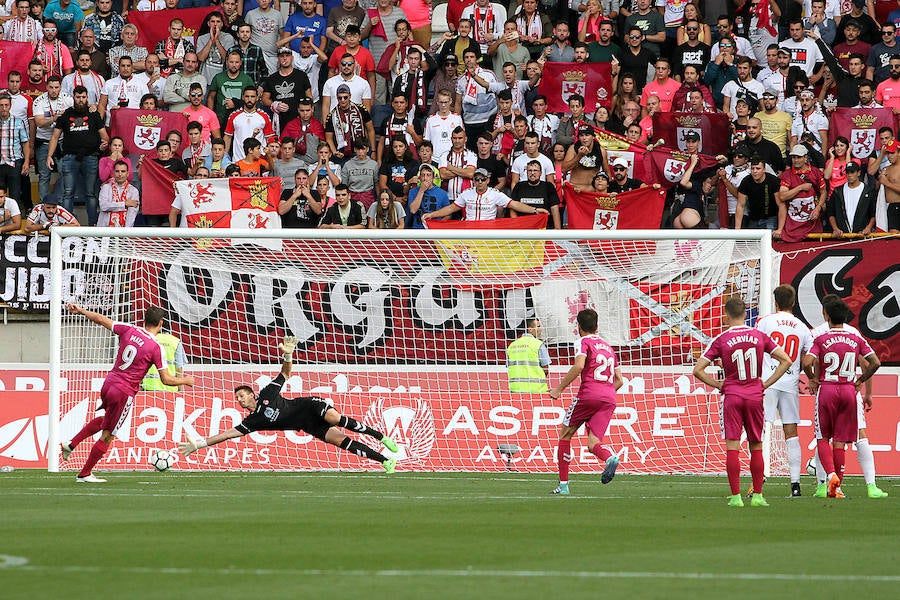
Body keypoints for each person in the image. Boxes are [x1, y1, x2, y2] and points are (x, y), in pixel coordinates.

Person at [60, 304, 195, 483]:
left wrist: (82, 311)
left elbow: (101, 319)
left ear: (144, 319)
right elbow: (167, 379)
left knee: (106, 420)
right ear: (161, 323)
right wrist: (186, 380)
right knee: (108, 435)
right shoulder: (156, 347)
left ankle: (71, 444)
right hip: (124, 392)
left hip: (109, 383)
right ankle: (84, 474)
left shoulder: (129, 329)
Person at [693, 296, 792, 507]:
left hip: (733, 396)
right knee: (756, 445)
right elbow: (786, 360)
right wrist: (765, 383)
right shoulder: (759, 336)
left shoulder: (721, 339)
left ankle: (736, 497)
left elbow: (698, 370)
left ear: (726, 315)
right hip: (755, 395)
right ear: (745, 314)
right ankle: (757, 496)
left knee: (733, 446)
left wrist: (718, 385)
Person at [807, 295, 889, 499]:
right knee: (850, 439)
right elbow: (869, 362)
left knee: (822, 436)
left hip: (826, 389)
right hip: (849, 390)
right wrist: (864, 386)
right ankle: (864, 486)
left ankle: (823, 483)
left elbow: (809, 361)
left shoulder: (817, 334)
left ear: (825, 313)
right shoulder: (854, 334)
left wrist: (813, 380)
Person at [548, 308, 623, 495]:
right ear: (597, 326)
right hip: (609, 398)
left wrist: (559, 389)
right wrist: (604, 394)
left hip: (588, 394)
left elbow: (579, 365)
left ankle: (563, 486)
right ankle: (609, 458)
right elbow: (620, 380)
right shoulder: (609, 347)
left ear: (578, 326)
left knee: (565, 434)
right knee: (593, 443)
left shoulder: (582, 341)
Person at [754, 284, 812, 496]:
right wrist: (812, 378)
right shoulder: (802, 327)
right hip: (790, 383)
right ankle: (795, 485)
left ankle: (757, 482)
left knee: (759, 431)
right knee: (791, 433)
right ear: (794, 302)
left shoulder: (764, 322)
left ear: (775, 302)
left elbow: (755, 348)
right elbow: (807, 359)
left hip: (767, 382)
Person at [423, 167, 548, 222]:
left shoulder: (495, 194)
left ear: (488, 180)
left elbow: (514, 204)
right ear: (473, 181)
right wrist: (432, 215)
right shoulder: (466, 194)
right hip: (469, 231)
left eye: (483, 179)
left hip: (488, 231)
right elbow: (451, 208)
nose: (480, 182)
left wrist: (535, 210)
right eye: (477, 179)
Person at [828, 161, 876, 237]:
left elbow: (873, 213)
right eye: (847, 172)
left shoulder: (868, 191)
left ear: (859, 173)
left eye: (852, 172)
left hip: (862, 235)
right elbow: (831, 212)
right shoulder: (838, 191)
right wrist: (835, 228)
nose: (849, 175)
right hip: (842, 236)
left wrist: (869, 227)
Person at [506, 317, 550, 393]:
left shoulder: (512, 345)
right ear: (530, 329)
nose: (541, 329)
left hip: (515, 390)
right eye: (538, 326)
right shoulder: (538, 344)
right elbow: (545, 368)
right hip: (537, 390)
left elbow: (509, 367)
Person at [141, 328, 187, 392]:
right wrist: (181, 391)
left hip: (149, 387)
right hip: (171, 389)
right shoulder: (175, 342)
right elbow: (179, 369)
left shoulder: (149, 339)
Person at [97, 159, 140, 227]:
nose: (120, 174)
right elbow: (104, 206)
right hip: (105, 232)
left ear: (127, 173)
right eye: (117, 171)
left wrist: (125, 232)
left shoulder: (133, 191)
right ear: (113, 173)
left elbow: (132, 214)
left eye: (123, 171)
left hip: (124, 232)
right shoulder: (106, 187)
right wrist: (124, 204)